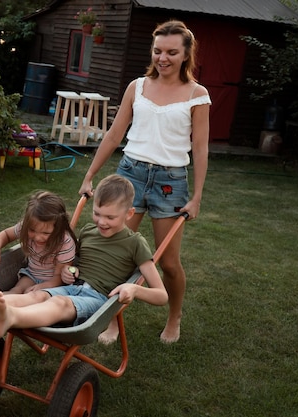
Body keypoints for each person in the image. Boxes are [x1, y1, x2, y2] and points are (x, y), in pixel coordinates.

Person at [79, 20, 211, 344]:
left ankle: (174, 315)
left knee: (167, 262)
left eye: (171, 52)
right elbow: (114, 134)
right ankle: (111, 319)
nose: (162, 58)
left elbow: (200, 147)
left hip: (170, 181)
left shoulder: (197, 94)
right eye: (157, 50)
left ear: (185, 54)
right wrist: (89, 175)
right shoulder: (136, 87)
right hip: (131, 175)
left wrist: (196, 197)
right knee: (118, 252)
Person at [0, 174, 168, 339]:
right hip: (73, 287)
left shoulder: (135, 243)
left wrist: (133, 288)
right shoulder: (88, 231)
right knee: (37, 296)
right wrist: (71, 271)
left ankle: (8, 317)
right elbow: (75, 263)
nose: (102, 222)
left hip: (98, 298)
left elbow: (161, 295)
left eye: (110, 217)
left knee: (59, 303)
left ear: (129, 214)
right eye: (97, 213)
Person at [0, 191, 76, 294]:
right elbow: (6, 234)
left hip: (53, 283)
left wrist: (42, 286)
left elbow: (58, 277)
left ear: (58, 229)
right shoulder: (26, 226)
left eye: (46, 233)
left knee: (32, 297)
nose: (37, 237)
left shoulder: (64, 243)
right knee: (16, 290)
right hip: (31, 275)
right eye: (32, 230)